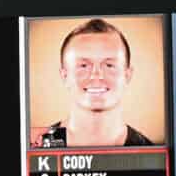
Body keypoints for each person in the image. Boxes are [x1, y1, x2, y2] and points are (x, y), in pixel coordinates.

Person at [31, 18, 157, 149]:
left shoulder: (154, 155)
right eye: (83, 65)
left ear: (127, 75)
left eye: (109, 65)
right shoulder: (34, 148)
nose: (97, 75)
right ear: (64, 75)